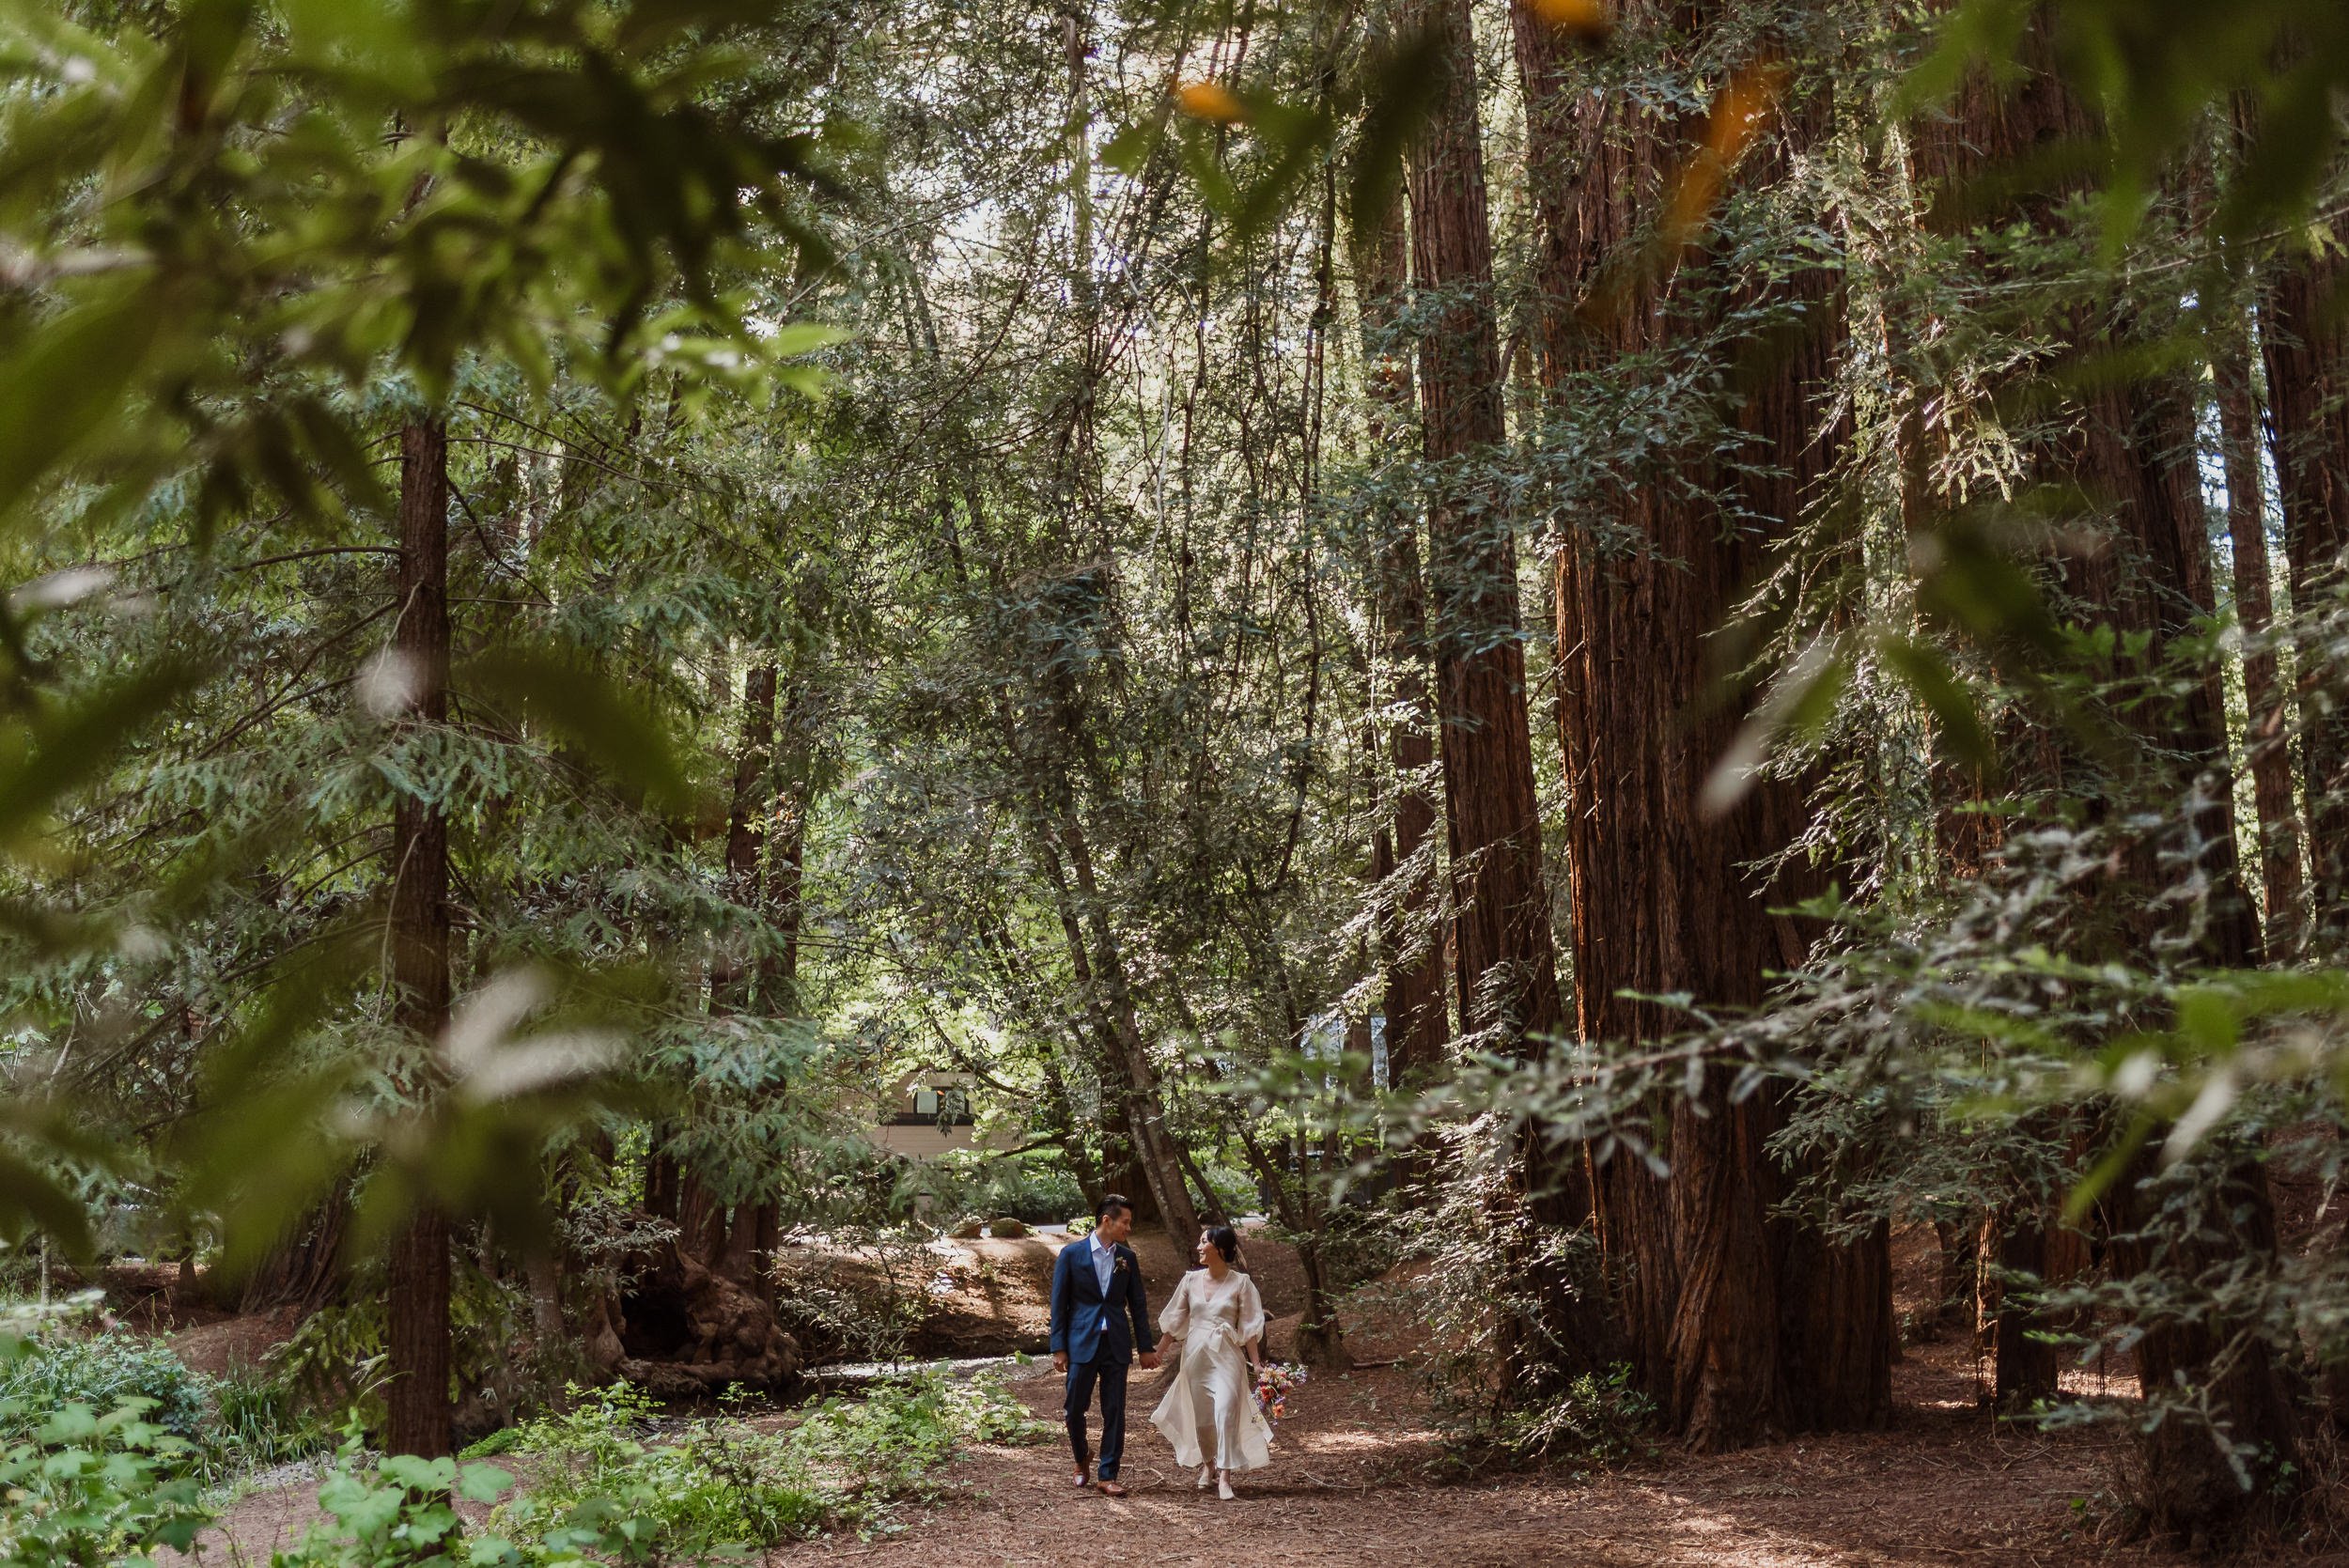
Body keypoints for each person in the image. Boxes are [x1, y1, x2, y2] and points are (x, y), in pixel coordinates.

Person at [1149, 1223, 1271, 1500]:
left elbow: (1250, 1328)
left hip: (1227, 1354)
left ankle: (1226, 1476)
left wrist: (1257, 1364)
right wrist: (1158, 1352)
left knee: (1226, 1409)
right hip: (1195, 1356)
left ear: (1221, 1248)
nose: (1199, 1247)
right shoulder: (1189, 1281)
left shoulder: (1241, 1283)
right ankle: (1209, 1466)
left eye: (1204, 1242)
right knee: (1203, 1417)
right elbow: (1175, 1321)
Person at [1049, 1194, 1159, 1497]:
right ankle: (1081, 1456)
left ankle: (1107, 1474)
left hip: (1116, 1343)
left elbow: (1137, 1304)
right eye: (1125, 1222)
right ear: (1107, 1221)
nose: (1129, 1228)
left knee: (1115, 1410)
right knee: (1073, 1409)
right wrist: (1059, 1347)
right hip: (1081, 1342)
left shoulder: (1127, 1258)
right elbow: (1058, 1305)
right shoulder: (1071, 1255)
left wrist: (1145, 1347)